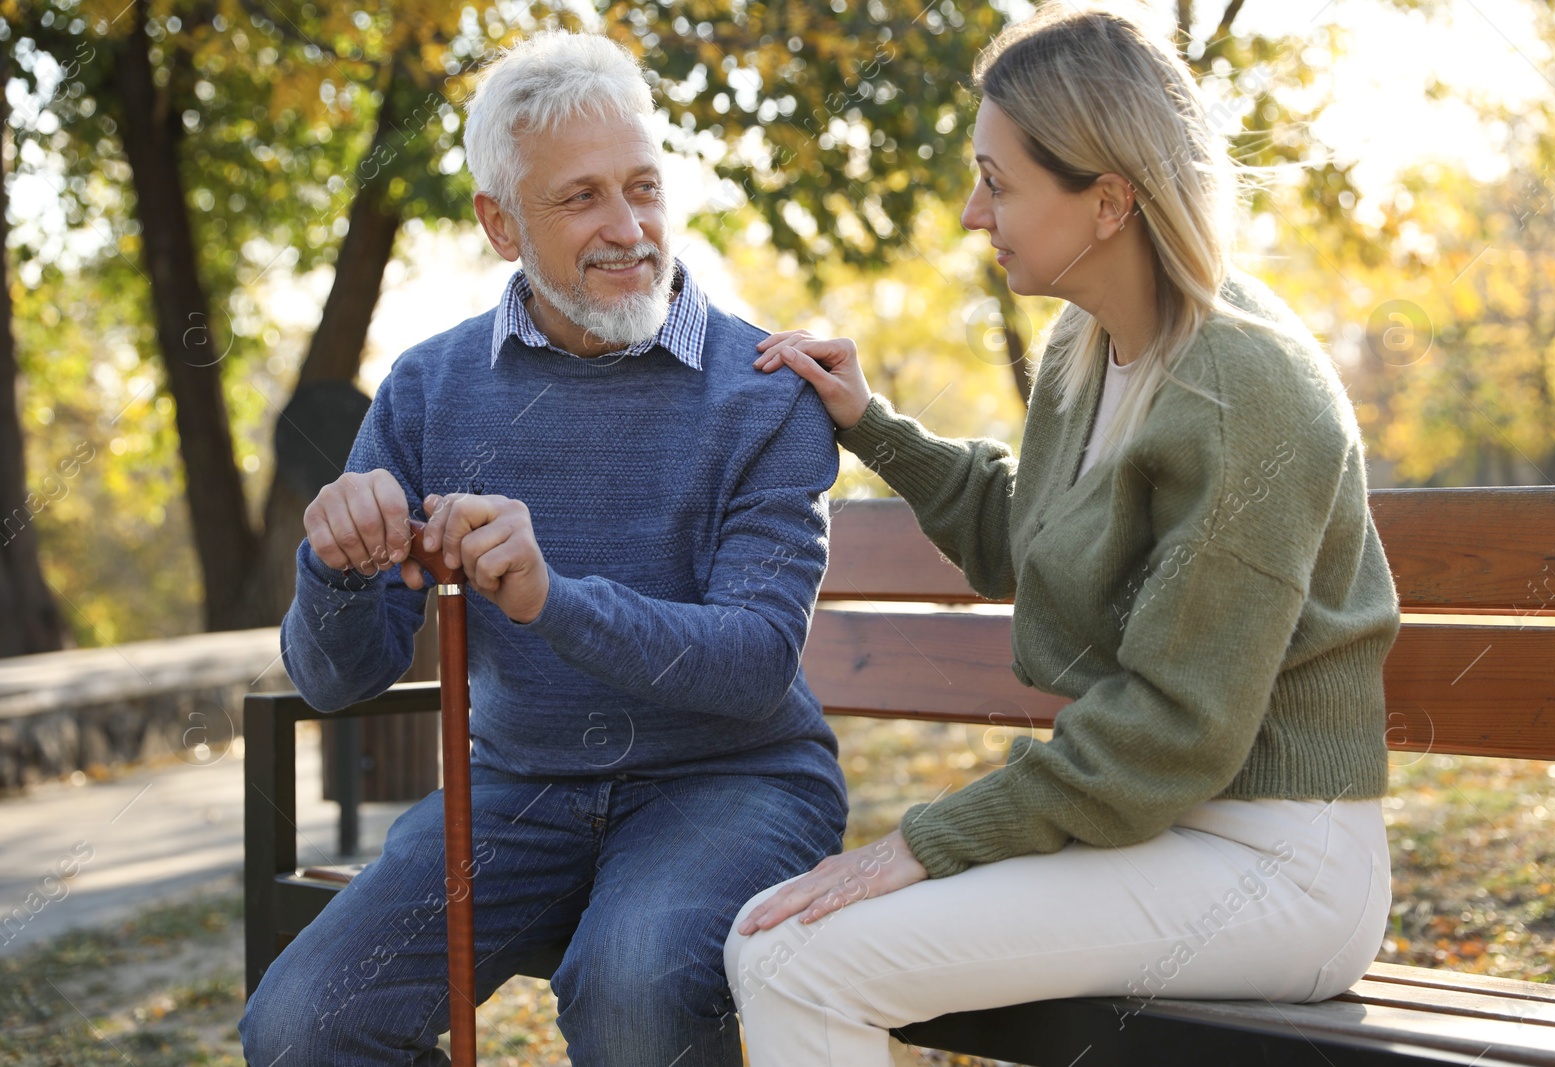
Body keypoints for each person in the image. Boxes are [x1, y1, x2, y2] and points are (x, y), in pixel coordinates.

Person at [727, 6, 1401, 1064]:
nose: (967, 211)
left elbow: (1174, 726)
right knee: (777, 936)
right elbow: (1026, 536)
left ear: (1108, 200)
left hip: (1279, 861)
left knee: (792, 958)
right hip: (1157, 827)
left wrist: (927, 840)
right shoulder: (1089, 349)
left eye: (997, 181)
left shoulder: (1242, 386)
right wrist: (873, 426)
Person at [238, 29, 847, 1067]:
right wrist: (335, 570)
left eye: (644, 187)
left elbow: (751, 668)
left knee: (632, 986)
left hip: (732, 782)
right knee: (302, 1026)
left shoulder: (764, 391)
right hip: (517, 790)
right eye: (581, 199)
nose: (629, 229)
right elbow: (338, 679)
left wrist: (551, 597)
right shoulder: (430, 388)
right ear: (499, 223)